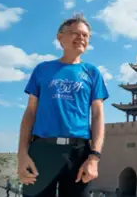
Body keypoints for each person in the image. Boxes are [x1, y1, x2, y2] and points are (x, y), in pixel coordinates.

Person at [16, 14, 109, 197]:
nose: (81, 38)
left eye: (85, 35)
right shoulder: (42, 69)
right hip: (42, 151)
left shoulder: (92, 73)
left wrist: (94, 157)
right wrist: (22, 154)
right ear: (60, 37)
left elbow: (97, 115)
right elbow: (30, 113)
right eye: (75, 33)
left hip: (78, 154)